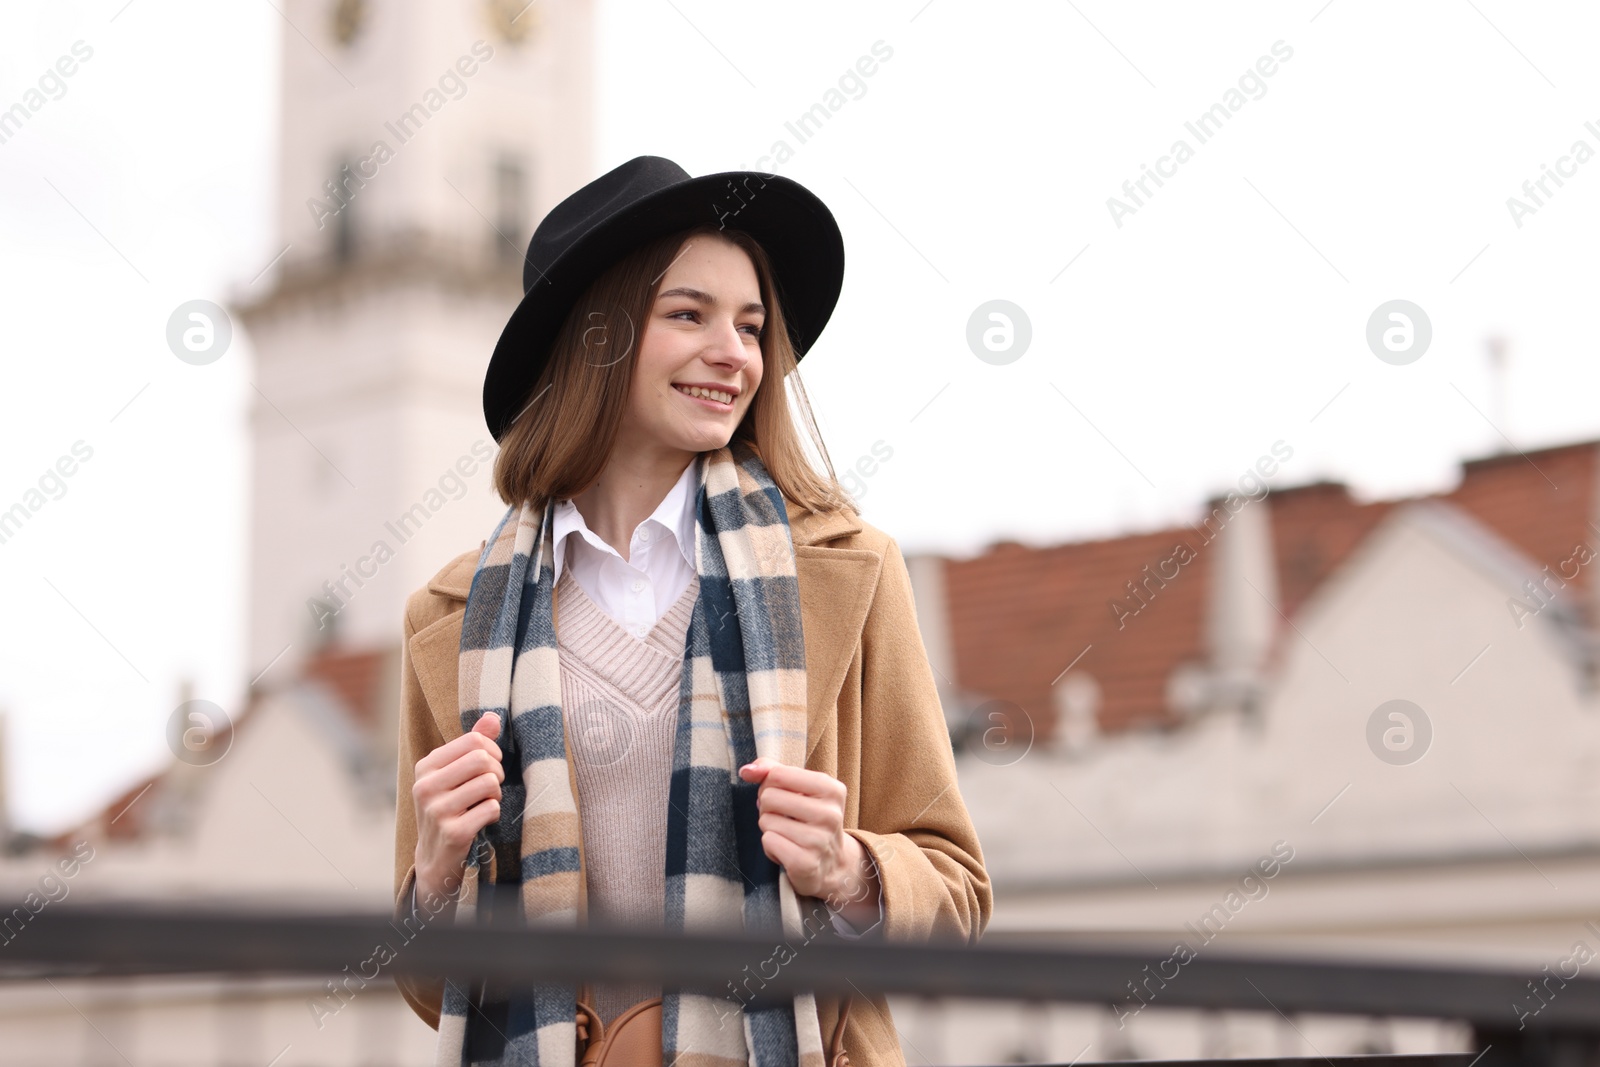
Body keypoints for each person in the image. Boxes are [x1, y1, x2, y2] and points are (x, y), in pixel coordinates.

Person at [391, 156, 990, 1067]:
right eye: (688, 315)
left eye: (751, 326)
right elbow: (430, 985)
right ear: (596, 339)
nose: (735, 353)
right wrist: (435, 880)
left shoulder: (849, 572)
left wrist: (852, 871)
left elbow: (958, 897)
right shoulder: (451, 622)